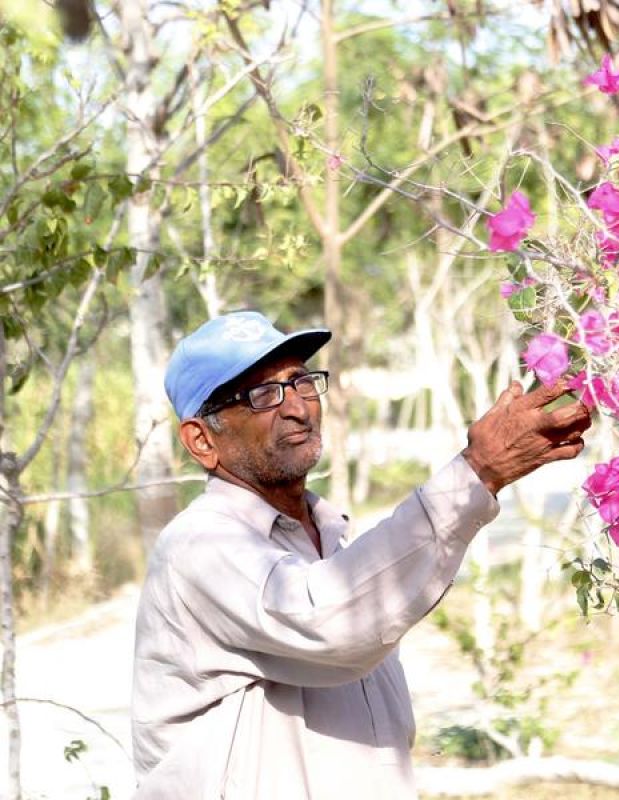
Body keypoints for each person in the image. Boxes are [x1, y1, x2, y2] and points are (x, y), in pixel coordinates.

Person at [131, 310, 591, 799]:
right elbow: (332, 620)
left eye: (300, 382)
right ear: (202, 440)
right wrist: (476, 474)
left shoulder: (329, 539)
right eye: (262, 394)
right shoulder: (197, 547)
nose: (297, 408)